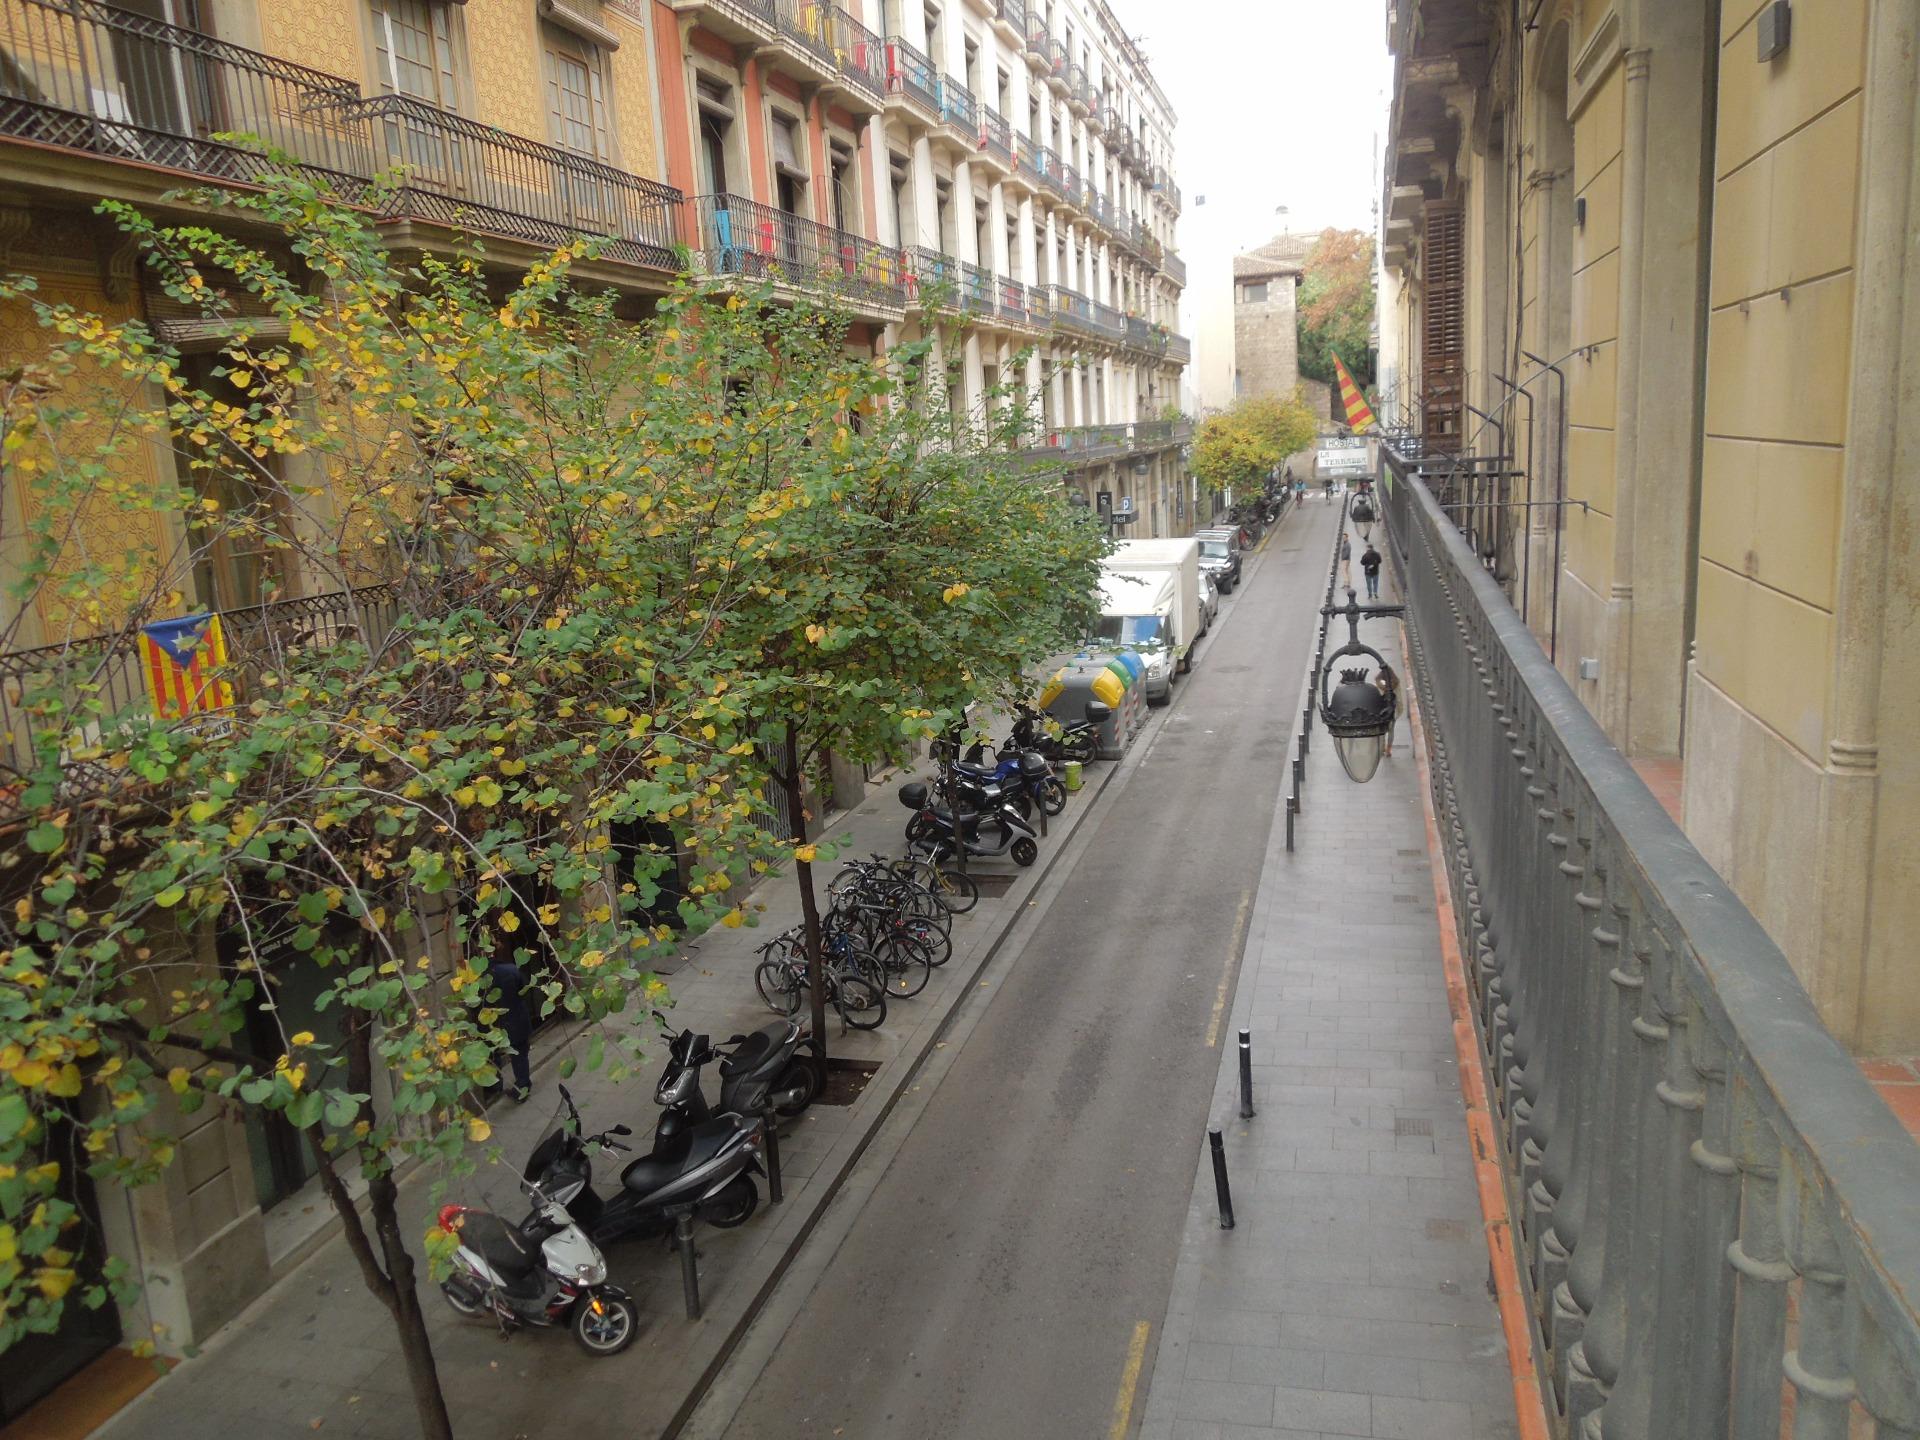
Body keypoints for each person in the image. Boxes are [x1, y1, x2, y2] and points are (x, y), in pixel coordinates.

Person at [488, 958, 533, 1101]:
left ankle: (495, 1086)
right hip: (517, 1017)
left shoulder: (482, 977)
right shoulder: (511, 969)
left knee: (492, 1054)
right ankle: (523, 1086)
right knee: (519, 1054)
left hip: (494, 1022)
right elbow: (524, 989)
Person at [1375, 664, 1400, 759]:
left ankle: (1382, 749)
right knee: (1391, 730)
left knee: (1382, 730)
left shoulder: (1380, 682)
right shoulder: (1396, 682)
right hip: (1392, 711)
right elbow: (1399, 698)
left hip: (1383, 711)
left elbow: (1378, 696)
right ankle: (1388, 749)